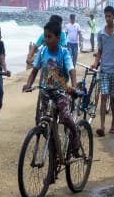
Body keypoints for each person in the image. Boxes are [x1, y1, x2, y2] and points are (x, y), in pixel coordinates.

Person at [22, 20, 80, 153]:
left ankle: (75, 134)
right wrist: (29, 84)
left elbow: (71, 70)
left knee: (65, 117)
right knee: (44, 121)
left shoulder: (64, 53)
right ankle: (54, 148)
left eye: (49, 37)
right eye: (45, 36)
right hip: (45, 92)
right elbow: (35, 70)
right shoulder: (42, 51)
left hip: (60, 92)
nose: (46, 40)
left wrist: (73, 86)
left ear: (58, 37)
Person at [91, 6, 114, 137]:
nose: (107, 19)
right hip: (104, 70)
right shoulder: (101, 33)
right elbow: (99, 51)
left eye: (109, 16)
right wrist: (95, 63)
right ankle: (101, 126)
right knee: (103, 96)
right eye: (106, 16)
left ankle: (113, 123)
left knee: (113, 98)